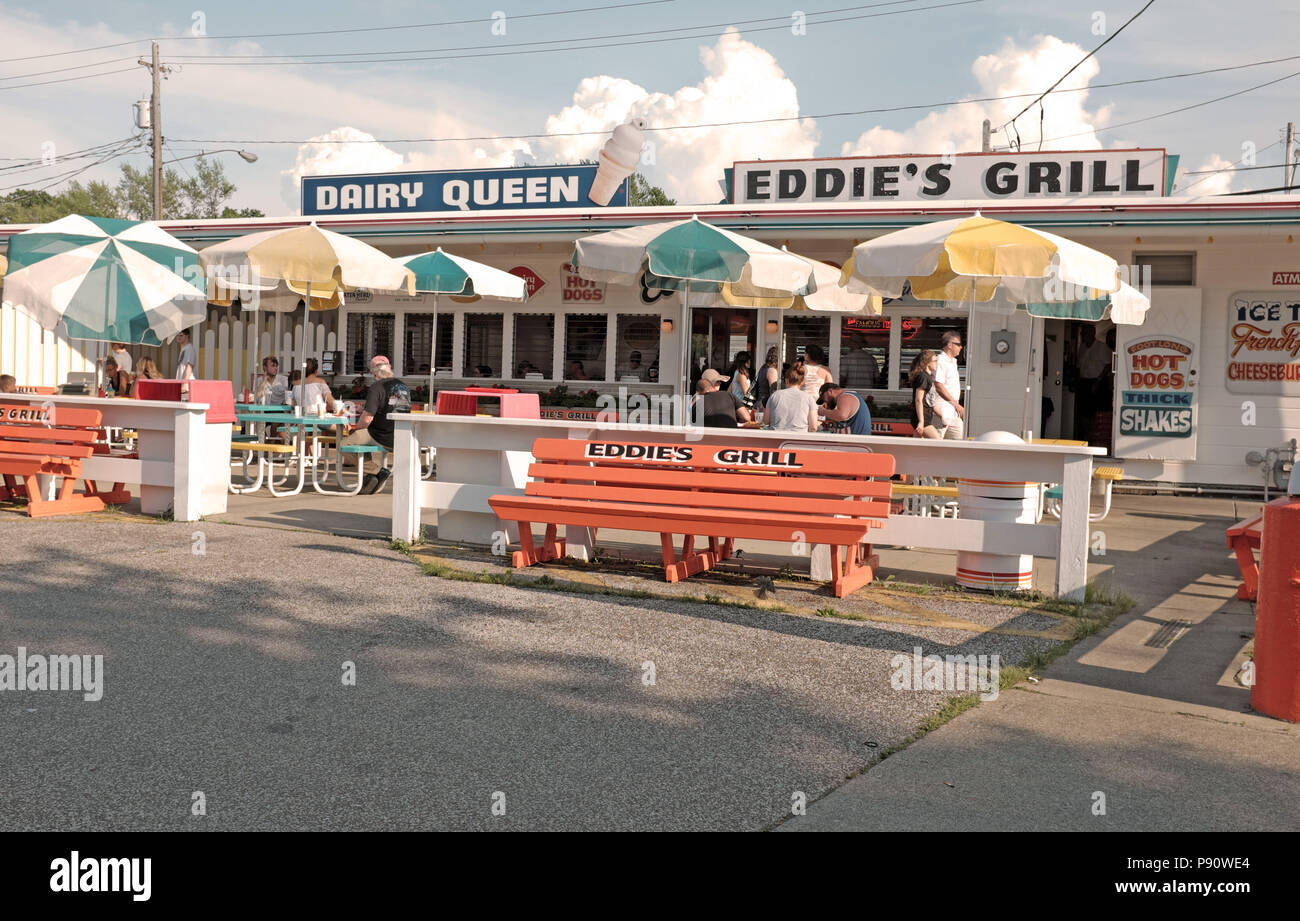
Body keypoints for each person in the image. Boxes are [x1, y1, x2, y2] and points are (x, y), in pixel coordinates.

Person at [342, 355, 411, 494]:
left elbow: (367, 419)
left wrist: (356, 430)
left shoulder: (376, 387)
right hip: (401, 433)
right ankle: (370, 478)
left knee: (344, 445)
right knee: (360, 438)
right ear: (390, 368)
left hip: (381, 435)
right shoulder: (403, 386)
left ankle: (377, 471)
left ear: (374, 372)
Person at [761, 365, 819, 432]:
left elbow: (766, 421)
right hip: (799, 438)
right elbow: (813, 427)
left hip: (776, 437)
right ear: (803, 382)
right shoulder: (809, 398)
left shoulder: (775, 395)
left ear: (786, 380)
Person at [929, 330, 964, 440]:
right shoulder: (940, 361)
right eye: (958, 344)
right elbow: (938, 385)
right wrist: (956, 404)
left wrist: (955, 405)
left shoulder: (953, 362)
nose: (961, 347)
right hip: (940, 410)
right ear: (949, 345)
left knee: (958, 444)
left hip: (952, 411)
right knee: (936, 445)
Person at [908, 349, 945, 439]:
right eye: (935, 361)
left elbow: (930, 401)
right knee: (938, 442)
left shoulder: (929, 377)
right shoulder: (923, 377)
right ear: (927, 363)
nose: (937, 363)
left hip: (926, 417)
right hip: (922, 418)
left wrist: (943, 417)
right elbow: (918, 400)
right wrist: (921, 421)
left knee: (917, 447)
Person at [752, 346, 780, 413]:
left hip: (760, 403)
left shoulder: (763, 368)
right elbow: (773, 391)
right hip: (764, 406)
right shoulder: (772, 371)